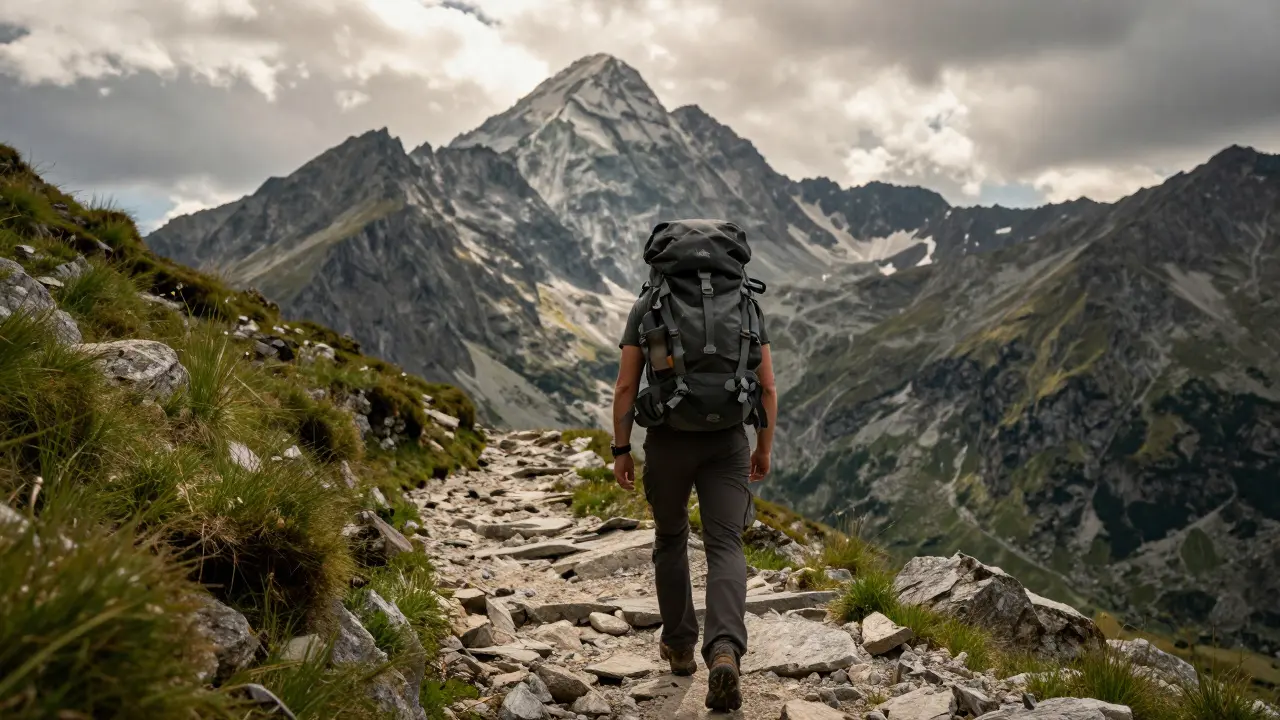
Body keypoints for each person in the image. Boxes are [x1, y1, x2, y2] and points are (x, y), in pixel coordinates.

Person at [610, 271, 777, 711]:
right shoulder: (745, 303)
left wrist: (621, 448)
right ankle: (724, 651)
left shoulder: (649, 306)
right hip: (727, 441)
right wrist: (764, 448)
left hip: (668, 440)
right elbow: (768, 386)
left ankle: (680, 648)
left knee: (670, 537)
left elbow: (627, 386)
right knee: (725, 544)